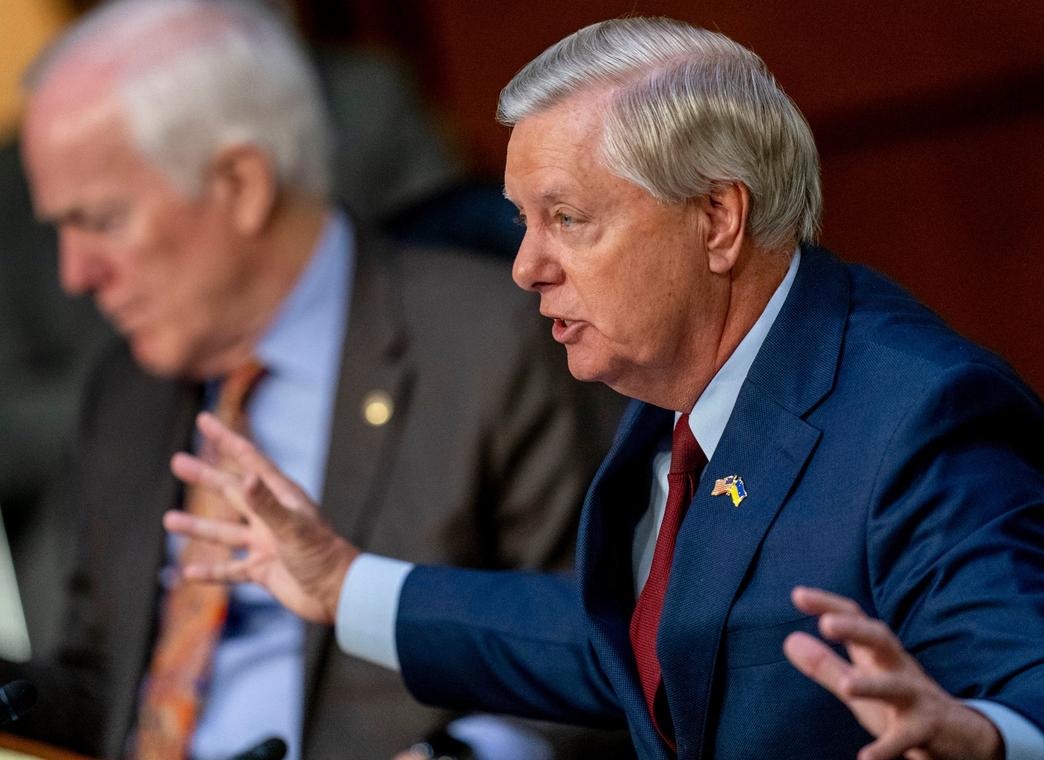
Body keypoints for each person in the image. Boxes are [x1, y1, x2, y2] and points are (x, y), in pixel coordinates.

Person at [167, 16, 1044, 760]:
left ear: (717, 219)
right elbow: (631, 641)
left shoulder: (923, 416)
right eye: (521, 222)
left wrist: (988, 735)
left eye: (568, 219)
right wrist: (343, 583)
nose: (525, 267)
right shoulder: (678, 393)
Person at [5, 1, 623, 758]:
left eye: (99, 220)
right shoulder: (123, 391)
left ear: (240, 184)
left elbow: (609, 642)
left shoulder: (495, 344)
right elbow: (109, 682)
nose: (76, 274)